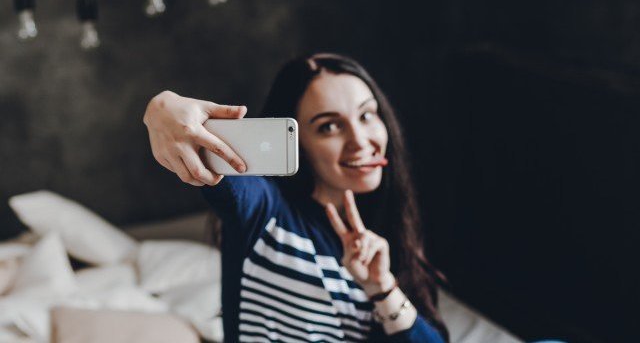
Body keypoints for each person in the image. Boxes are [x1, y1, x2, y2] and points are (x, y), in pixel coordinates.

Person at [143, 53, 448, 342]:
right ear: (299, 143)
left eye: (367, 115)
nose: (360, 140)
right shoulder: (267, 210)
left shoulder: (393, 227)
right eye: (329, 126)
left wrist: (381, 288)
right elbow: (228, 181)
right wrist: (163, 108)